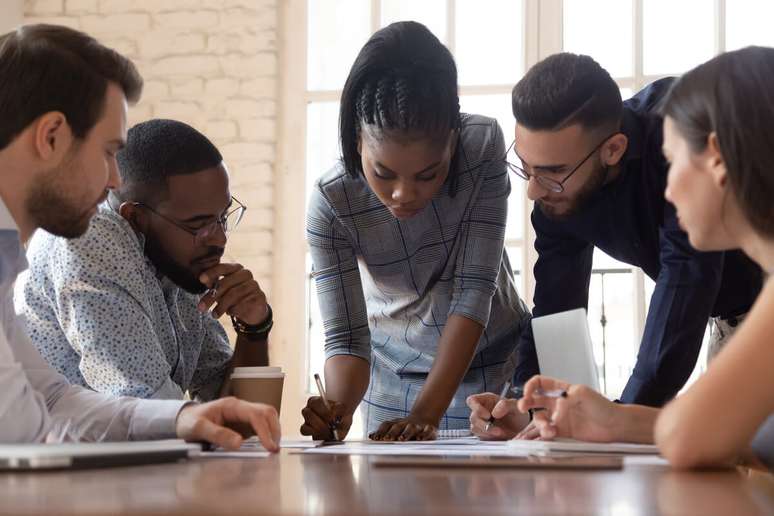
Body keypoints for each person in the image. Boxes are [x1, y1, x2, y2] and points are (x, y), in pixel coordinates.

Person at [471, 46, 774, 470]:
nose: (534, 191)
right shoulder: (555, 186)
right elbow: (557, 306)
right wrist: (538, 406)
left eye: (553, 172)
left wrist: (617, 419)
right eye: (525, 167)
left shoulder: (677, 124)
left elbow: (686, 282)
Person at [0, 24, 279, 450]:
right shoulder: (94, 238)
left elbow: (50, 399)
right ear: (51, 137)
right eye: (109, 151)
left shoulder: (6, 259)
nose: (115, 179)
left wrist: (185, 415)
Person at [300, 21, 529, 441]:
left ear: (454, 141)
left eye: (429, 174)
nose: (404, 194)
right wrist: (338, 409)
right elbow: (347, 337)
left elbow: (473, 291)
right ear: (356, 142)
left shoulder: (482, 147)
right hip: (393, 382)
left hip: (497, 369)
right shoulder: (331, 203)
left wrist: (427, 412)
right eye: (383, 174)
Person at [15, 118, 273, 402]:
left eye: (222, 216)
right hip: (42, 443)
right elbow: (152, 415)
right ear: (136, 218)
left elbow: (244, 421)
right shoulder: (88, 239)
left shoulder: (181, 265)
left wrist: (254, 326)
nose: (220, 239)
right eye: (199, 224)